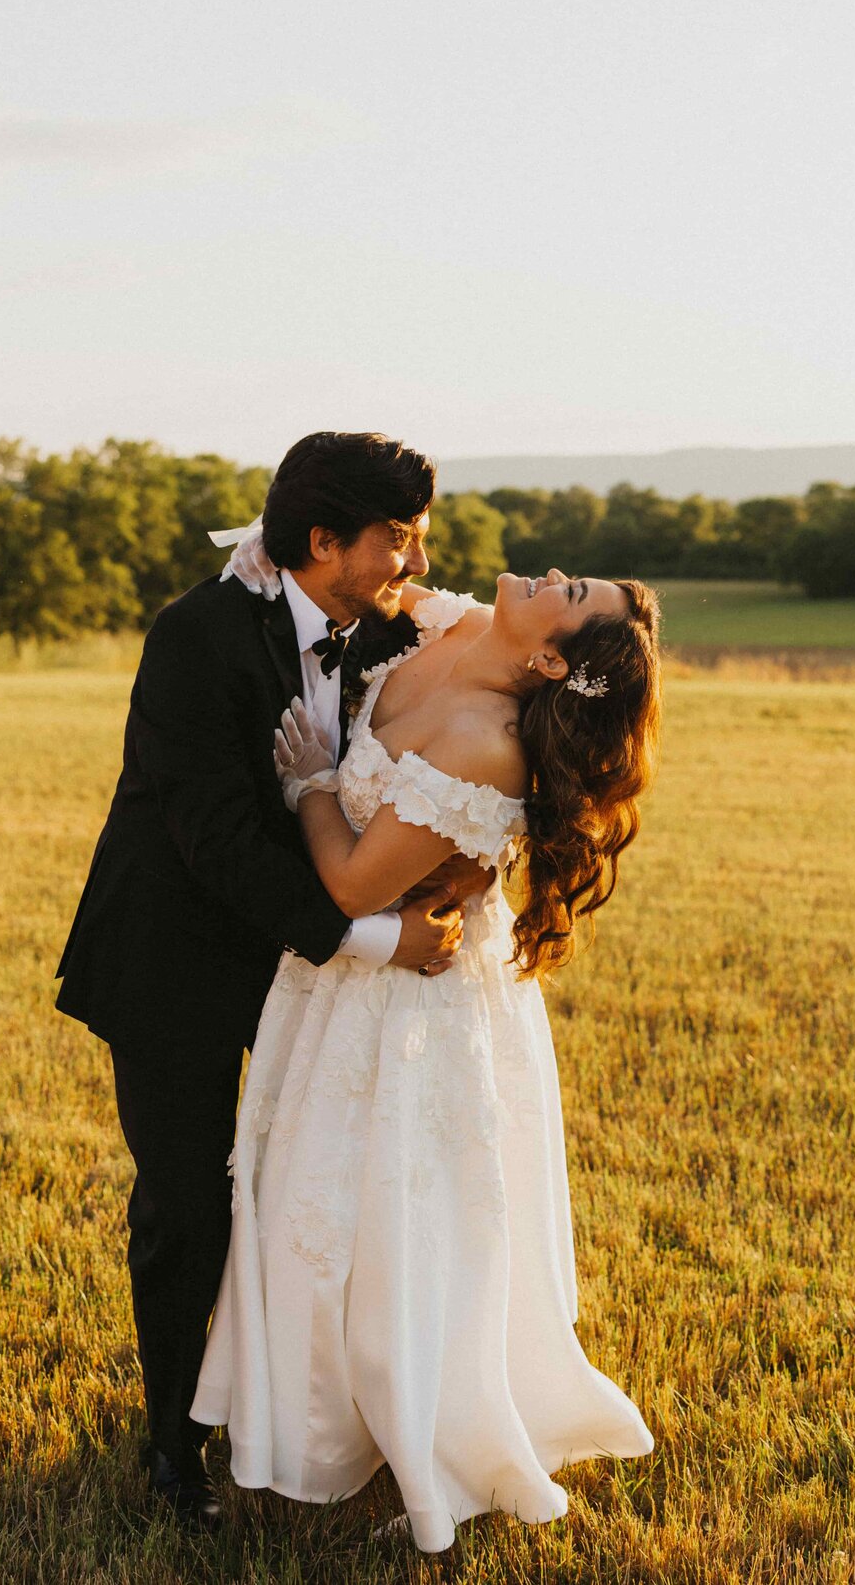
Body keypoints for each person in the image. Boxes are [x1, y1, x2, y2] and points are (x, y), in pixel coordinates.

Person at [192, 560, 663, 1551]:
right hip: (340, 989)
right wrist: (268, 551)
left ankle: (419, 1428)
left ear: (546, 656)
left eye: (572, 595)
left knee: (399, 1214)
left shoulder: (482, 746)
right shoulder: (447, 623)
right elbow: (371, 565)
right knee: (311, 1197)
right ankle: (315, 1415)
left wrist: (314, 780)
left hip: (413, 998)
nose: (557, 572)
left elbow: (360, 884)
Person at [54, 432, 472, 1528]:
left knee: (305, 1197)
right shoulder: (194, 635)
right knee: (189, 1203)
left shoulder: (386, 626)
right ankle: (168, 1442)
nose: (416, 555)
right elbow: (219, 839)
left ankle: (295, 1412)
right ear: (322, 541)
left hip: (308, 972)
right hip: (174, 959)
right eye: (397, 535)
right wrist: (378, 941)